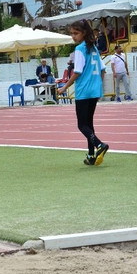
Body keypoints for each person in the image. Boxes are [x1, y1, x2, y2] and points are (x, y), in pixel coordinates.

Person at [56, 20, 109, 166]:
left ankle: (100, 145)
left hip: (84, 91)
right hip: (94, 90)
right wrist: (97, 84)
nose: (73, 36)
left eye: (76, 33)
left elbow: (77, 71)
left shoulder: (80, 49)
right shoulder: (94, 49)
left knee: (81, 125)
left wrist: (64, 87)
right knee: (89, 125)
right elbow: (103, 69)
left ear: (84, 33)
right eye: (72, 33)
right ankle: (91, 156)